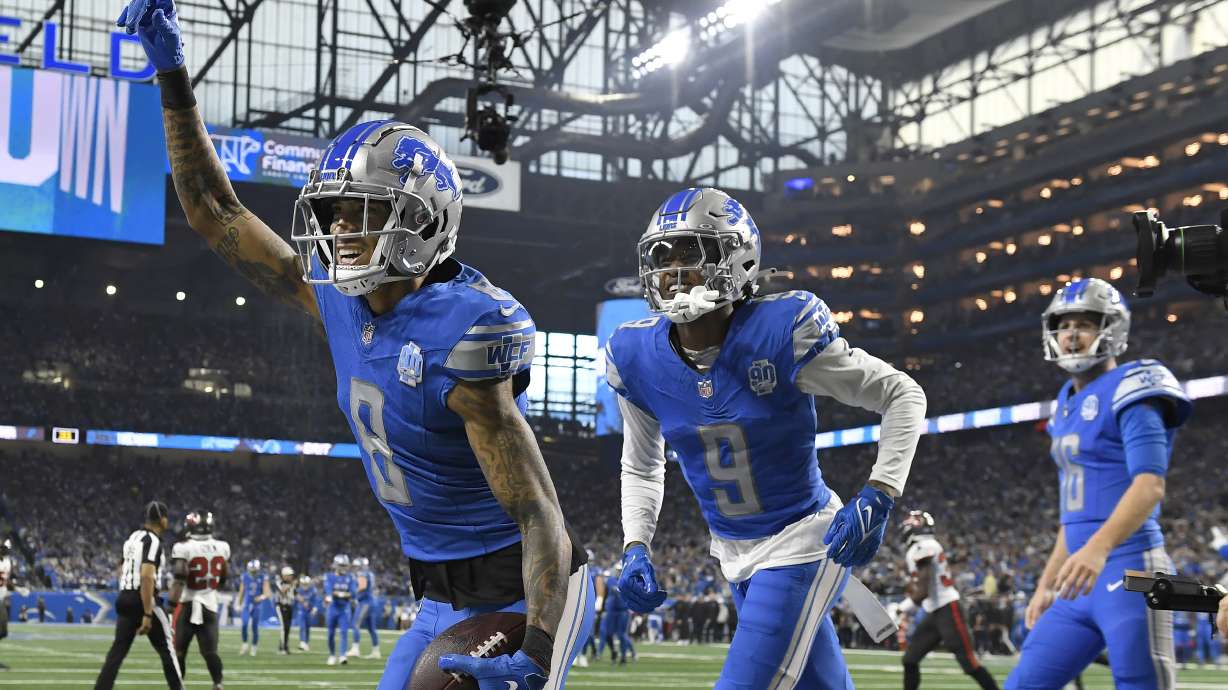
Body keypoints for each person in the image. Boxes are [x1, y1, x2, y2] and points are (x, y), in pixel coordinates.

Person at [118, 2, 594, 687]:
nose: (340, 230)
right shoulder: (338, 301)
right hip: (436, 597)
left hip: (520, 592)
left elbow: (537, 511)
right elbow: (214, 211)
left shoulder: (462, 329)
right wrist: (173, 73)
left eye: (363, 212)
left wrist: (541, 648)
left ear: (423, 221)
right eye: (334, 213)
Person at [605, 187, 927, 689]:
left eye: (691, 253)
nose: (672, 271)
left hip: (801, 540)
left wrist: (880, 492)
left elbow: (902, 394)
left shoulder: (782, 330)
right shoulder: (635, 356)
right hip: (733, 553)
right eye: (662, 258)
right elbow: (642, 465)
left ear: (738, 258)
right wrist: (635, 544)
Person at [1005, 277, 1191, 690]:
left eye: (1084, 324)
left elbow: (1149, 487)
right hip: (1078, 578)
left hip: (1131, 571)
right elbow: (1073, 514)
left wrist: (1097, 549)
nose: (1071, 334)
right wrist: (1045, 584)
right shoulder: (1064, 401)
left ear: (1112, 329)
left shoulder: (1135, 386)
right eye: (1063, 324)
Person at [896, 511, 999, 690]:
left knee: (970, 664)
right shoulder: (923, 546)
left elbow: (924, 589)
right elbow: (921, 587)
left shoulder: (924, 546)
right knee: (910, 660)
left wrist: (901, 607)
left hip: (948, 609)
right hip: (934, 611)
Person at [93, 501, 183, 690]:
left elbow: (122, 567)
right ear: (162, 520)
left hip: (125, 597)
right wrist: (148, 613)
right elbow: (147, 576)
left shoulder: (133, 537)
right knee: (167, 650)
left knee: (116, 653)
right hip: (142, 598)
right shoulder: (153, 542)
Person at [168, 510, 229, 690]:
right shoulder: (223, 547)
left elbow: (179, 579)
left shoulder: (183, 547)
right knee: (210, 652)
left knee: (179, 651)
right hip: (210, 604)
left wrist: (170, 607)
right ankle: (218, 684)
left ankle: (178, 685)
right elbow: (224, 575)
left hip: (187, 604)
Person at [324, 554, 356, 666]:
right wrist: (335, 594)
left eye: (345, 565)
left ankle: (343, 655)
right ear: (336, 565)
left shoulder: (350, 577)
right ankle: (332, 655)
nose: (343, 567)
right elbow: (328, 591)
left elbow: (353, 593)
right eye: (341, 565)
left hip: (344, 609)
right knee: (330, 634)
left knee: (344, 632)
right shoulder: (329, 576)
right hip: (333, 608)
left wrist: (338, 594)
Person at [236, 559, 270, 656]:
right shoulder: (245, 576)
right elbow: (242, 591)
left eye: (254, 570)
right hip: (247, 603)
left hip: (257, 605)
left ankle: (254, 647)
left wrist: (261, 597)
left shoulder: (263, 577)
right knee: (244, 624)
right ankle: (245, 644)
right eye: (251, 569)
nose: (253, 571)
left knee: (255, 627)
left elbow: (267, 592)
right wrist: (239, 603)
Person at [348, 556, 380, 659]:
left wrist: (352, 593)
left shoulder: (363, 574)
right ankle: (376, 651)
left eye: (357, 566)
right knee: (371, 628)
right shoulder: (369, 574)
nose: (355, 568)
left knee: (355, 624)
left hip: (365, 602)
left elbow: (362, 586)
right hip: (371, 601)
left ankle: (355, 649)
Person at [275, 566, 297, 655]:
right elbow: (282, 591)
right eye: (289, 575)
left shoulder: (291, 584)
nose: (291, 577)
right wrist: (291, 585)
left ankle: (284, 645)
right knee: (284, 627)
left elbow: (294, 595)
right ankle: (283, 647)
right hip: (281, 606)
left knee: (287, 628)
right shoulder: (279, 582)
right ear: (284, 575)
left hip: (289, 606)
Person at [294, 574, 317, 651]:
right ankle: (302, 642)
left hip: (309, 611)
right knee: (302, 626)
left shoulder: (313, 590)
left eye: (306, 584)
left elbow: (315, 600)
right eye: (303, 584)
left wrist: (314, 608)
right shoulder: (298, 591)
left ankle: (306, 643)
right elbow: (295, 601)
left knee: (307, 627)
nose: (304, 585)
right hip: (301, 610)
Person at [0, 538, 12, 671]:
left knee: (3, 632)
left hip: (1, 599)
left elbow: (5, 581)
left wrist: (18, 588)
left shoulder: (7, 562)